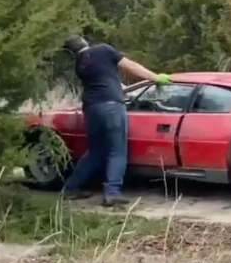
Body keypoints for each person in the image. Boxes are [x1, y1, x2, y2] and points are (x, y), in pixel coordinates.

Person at [61, 35, 172, 206]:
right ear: (85, 41)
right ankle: (112, 193)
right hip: (111, 107)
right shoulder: (103, 50)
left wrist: (129, 91)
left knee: (95, 152)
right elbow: (131, 66)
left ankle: (70, 189)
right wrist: (155, 77)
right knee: (117, 151)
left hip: (91, 108)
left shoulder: (81, 64)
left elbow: (109, 79)